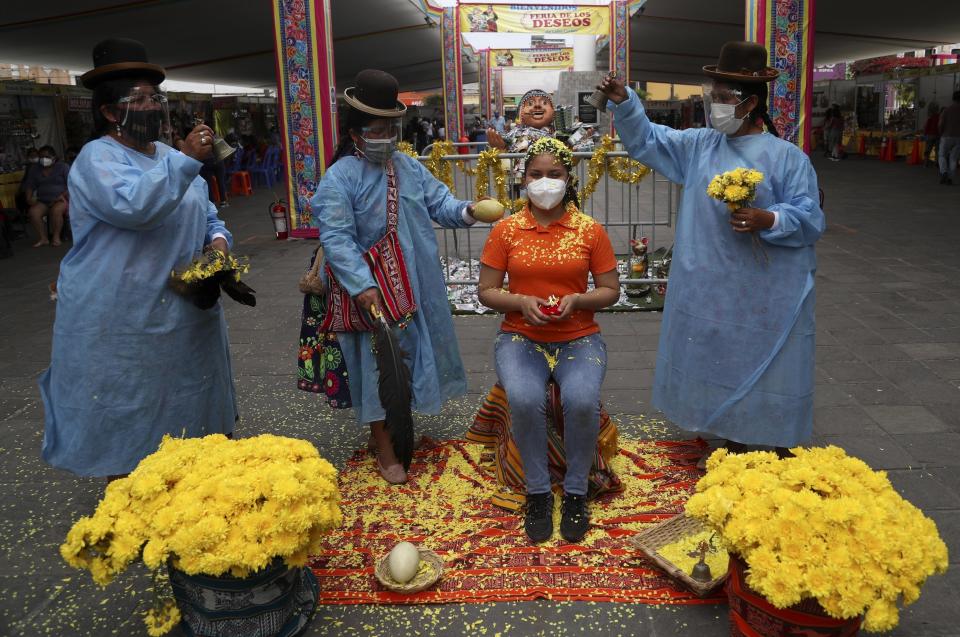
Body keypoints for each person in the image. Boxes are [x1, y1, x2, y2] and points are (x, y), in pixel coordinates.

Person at [599, 41, 825, 468]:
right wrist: (625, 103)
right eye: (712, 96)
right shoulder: (700, 146)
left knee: (773, 361)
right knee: (719, 358)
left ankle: (778, 439)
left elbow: (810, 218)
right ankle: (733, 437)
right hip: (709, 284)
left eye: (722, 99)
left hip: (767, 288)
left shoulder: (788, 158)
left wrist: (769, 219)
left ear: (750, 102)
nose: (713, 105)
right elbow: (648, 140)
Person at [40, 38, 237, 478]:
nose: (153, 107)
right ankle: (132, 504)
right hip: (122, 315)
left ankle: (191, 496)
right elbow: (137, 208)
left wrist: (219, 244)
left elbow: (207, 214)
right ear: (111, 112)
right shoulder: (97, 159)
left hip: (183, 310)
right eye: (140, 100)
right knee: (130, 410)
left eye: (157, 98)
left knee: (189, 402)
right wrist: (187, 160)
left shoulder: (170, 157)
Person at [310, 69, 491, 485]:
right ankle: (386, 444)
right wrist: (362, 285)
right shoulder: (339, 178)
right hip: (370, 290)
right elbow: (336, 238)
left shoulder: (408, 167)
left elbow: (440, 202)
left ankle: (402, 426)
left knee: (408, 360)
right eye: (377, 129)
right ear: (356, 132)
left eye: (392, 127)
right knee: (377, 367)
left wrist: (468, 210)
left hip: (416, 286)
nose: (386, 136)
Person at [477, 137, 620, 543]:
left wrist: (578, 300)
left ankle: (576, 491)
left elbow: (610, 289)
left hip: (580, 338)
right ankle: (537, 491)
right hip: (520, 337)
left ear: (568, 179)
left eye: (554, 175)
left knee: (580, 400)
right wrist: (521, 302)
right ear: (522, 180)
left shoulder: (589, 230)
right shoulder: (505, 230)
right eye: (535, 175)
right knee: (523, 398)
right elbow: (486, 291)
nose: (544, 182)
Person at [23, 145, 70, 247]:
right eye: (41, 157)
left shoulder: (63, 167)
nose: (44, 159)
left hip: (61, 199)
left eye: (47, 157)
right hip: (43, 200)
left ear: (54, 157)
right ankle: (43, 238)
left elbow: (71, 185)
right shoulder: (35, 169)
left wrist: (62, 195)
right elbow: (30, 185)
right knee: (33, 212)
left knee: (56, 211)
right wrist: (28, 198)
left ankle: (56, 237)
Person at [938, 91, 960, 185]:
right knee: (953, 158)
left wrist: (940, 133)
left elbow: (940, 124)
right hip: (958, 137)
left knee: (942, 155)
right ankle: (950, 178)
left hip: (946, 136)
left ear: (953, 98)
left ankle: (944, 172)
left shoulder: (947, 110)